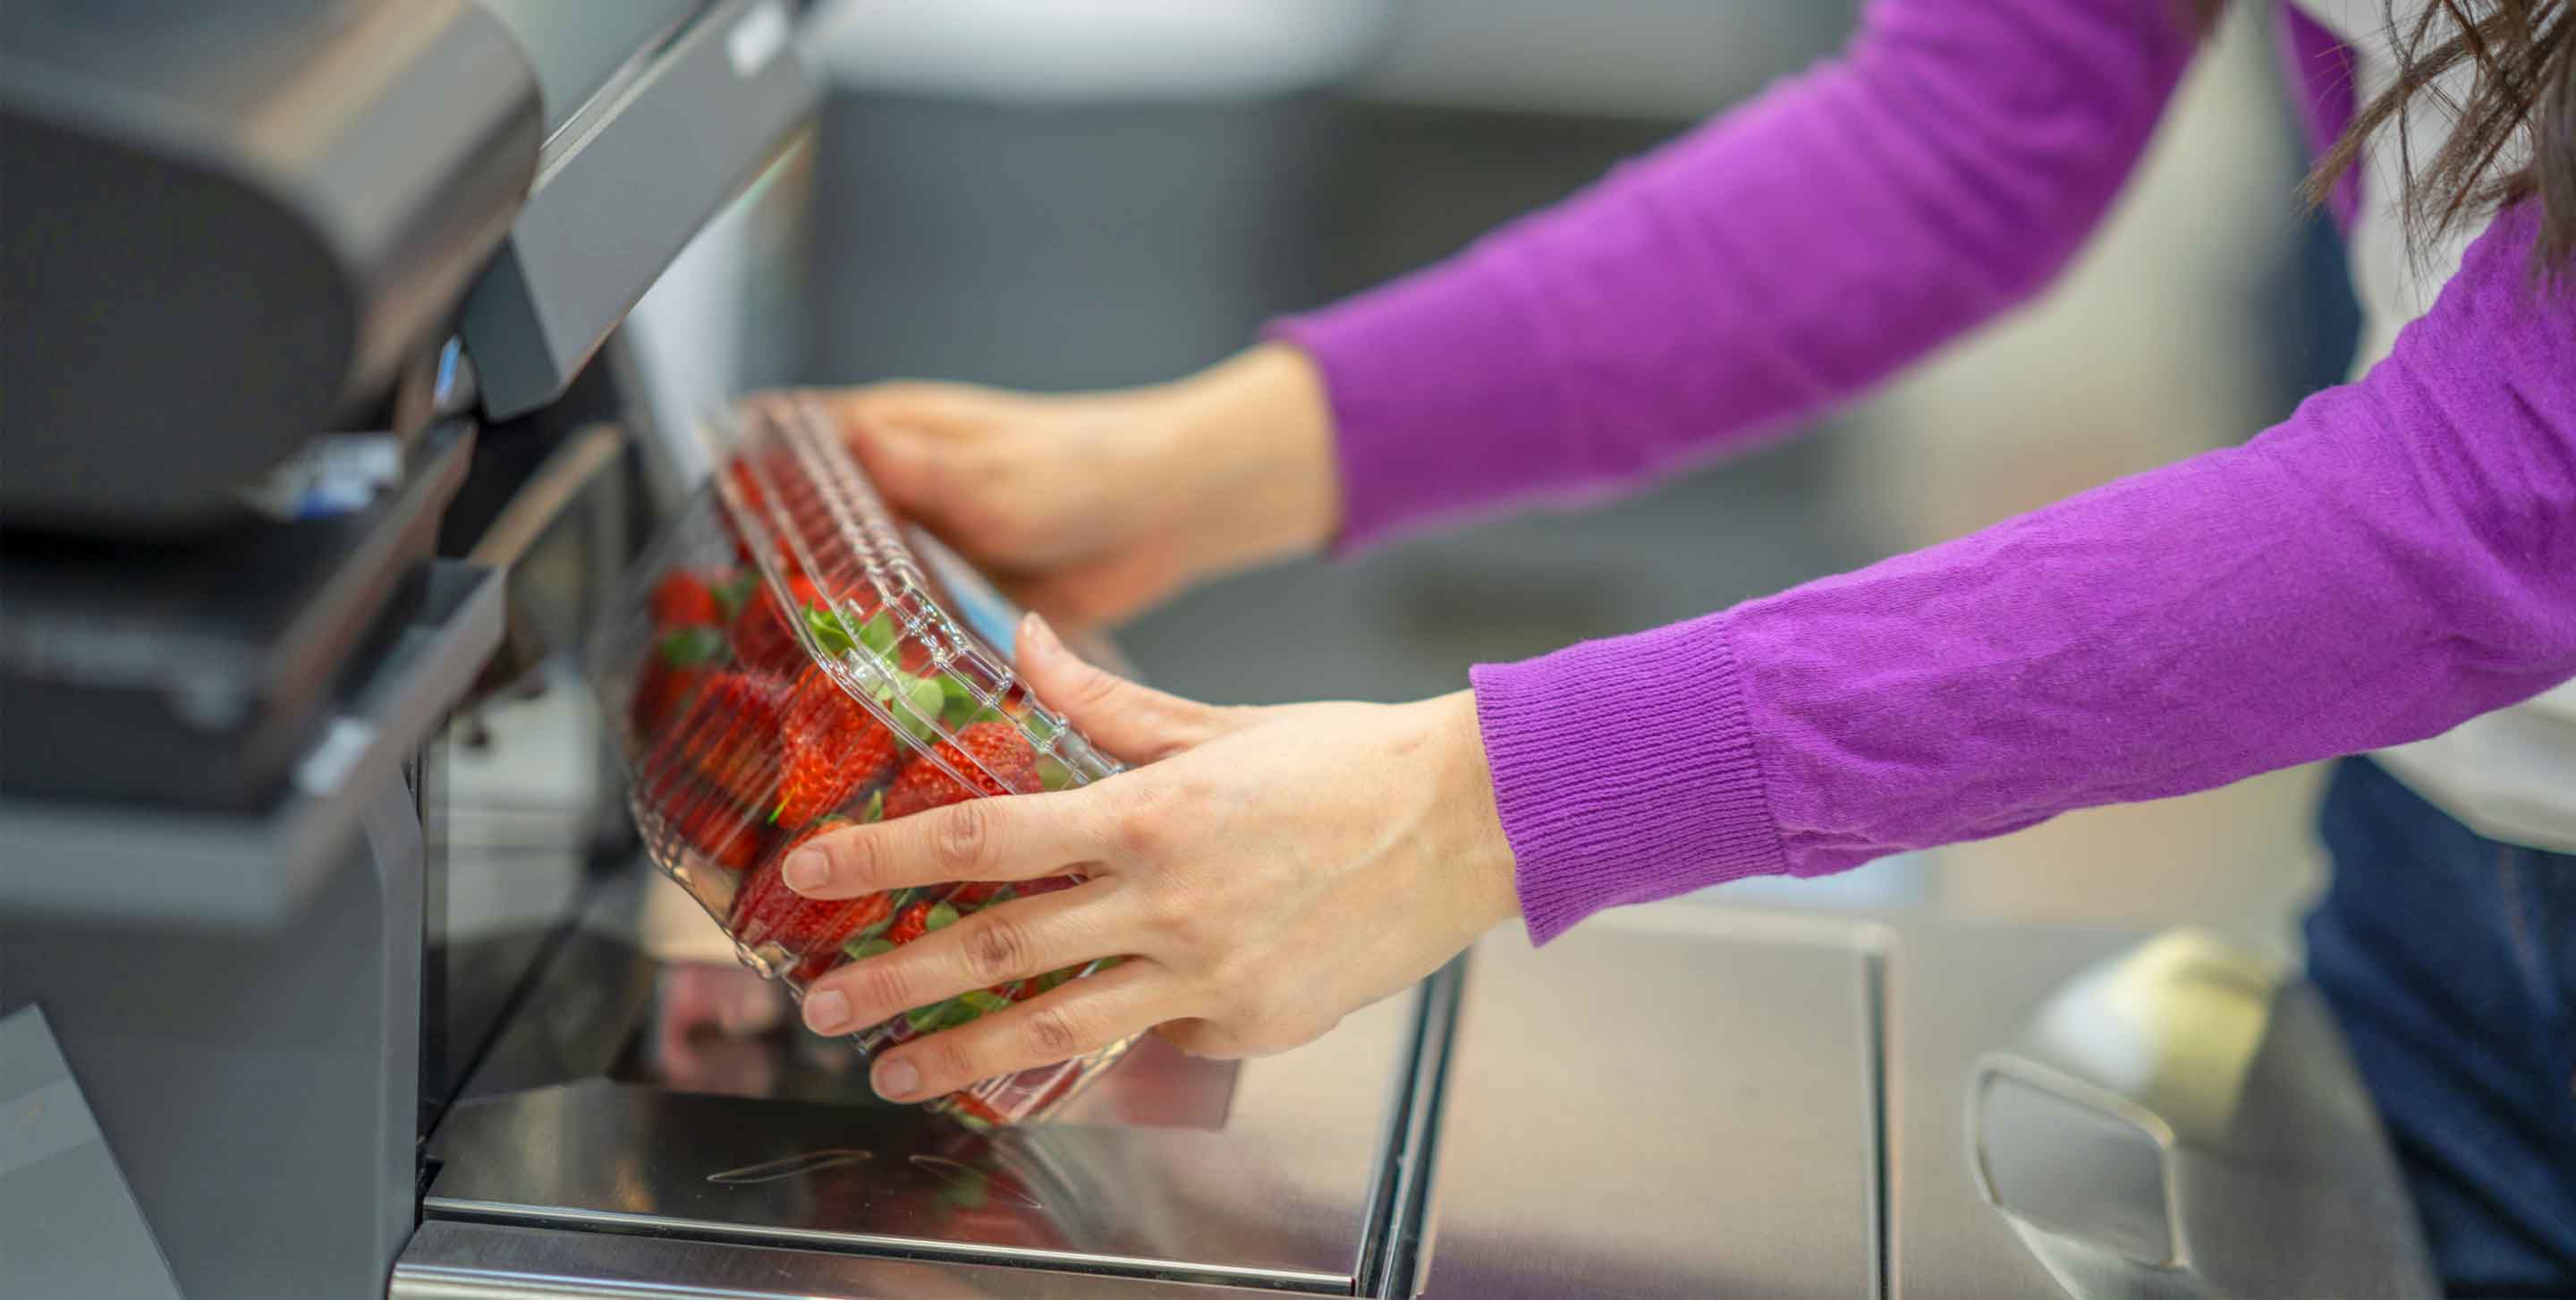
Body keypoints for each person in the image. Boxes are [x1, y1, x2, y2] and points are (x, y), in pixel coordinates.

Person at [767, 1, 2576, 1287]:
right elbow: (1967, 129)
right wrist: (1199, 463)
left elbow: (2506, 494)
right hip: (2447, 866)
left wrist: (1476, 804)